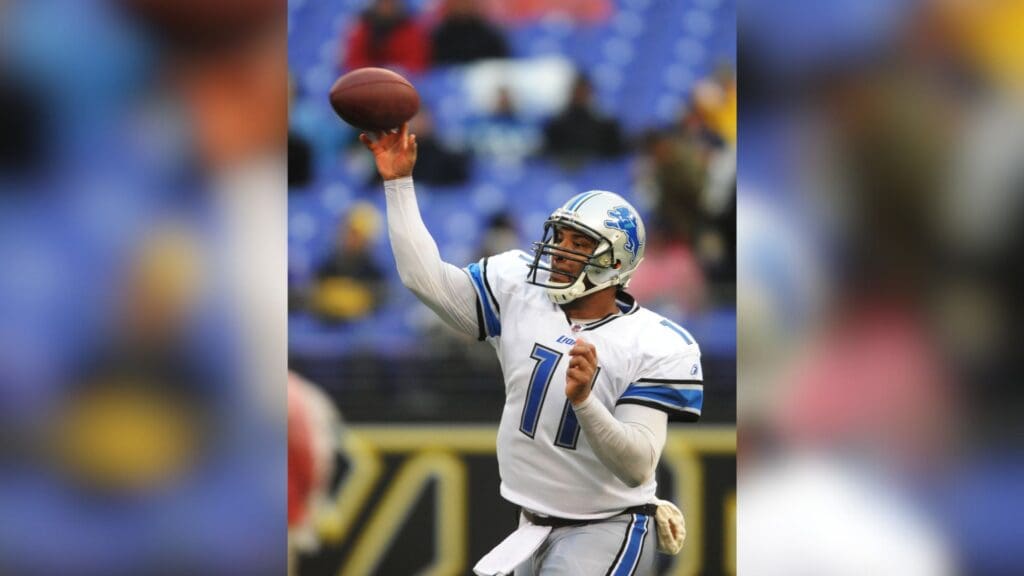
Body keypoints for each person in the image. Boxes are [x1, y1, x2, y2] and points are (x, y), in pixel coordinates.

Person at [360, 124, 700, 575]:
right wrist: (398, 183)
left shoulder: (655, 342)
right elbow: (424, 280)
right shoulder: (520, 289)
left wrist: (585, 402)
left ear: (616, 264)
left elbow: (638, 466)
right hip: (531, 528)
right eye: (560, 237)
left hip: (607, 527)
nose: (560, 252)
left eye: (580, 244)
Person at [343, 0, 430, 73]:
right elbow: (353, 60)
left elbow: (416, 62)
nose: (387, 6)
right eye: (383, 2)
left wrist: (394, 71)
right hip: (367, 81)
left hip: (401, 82)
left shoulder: (410, 28)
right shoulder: (363, 28)